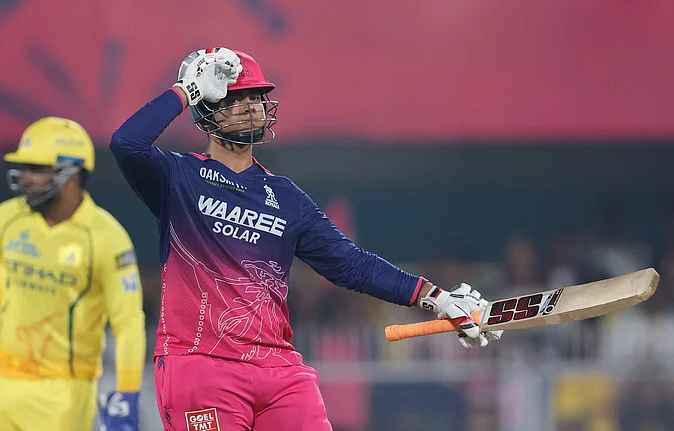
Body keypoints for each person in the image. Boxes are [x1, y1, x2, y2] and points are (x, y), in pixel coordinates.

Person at [110, 47, 502, 431]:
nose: (251, 107)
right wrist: (184, 91)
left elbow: (351, 264)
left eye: (257, 97)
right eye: (234, 98)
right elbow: (126, 144)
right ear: (206, 108)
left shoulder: (286, 197)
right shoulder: (176, 178)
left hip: (279, 372)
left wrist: (438, 298)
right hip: (201, 365)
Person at [0, 117, 146, 431]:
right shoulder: (8, 217)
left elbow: (128, 323)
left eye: (37, 169)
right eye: (24, 168)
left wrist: (128, 393)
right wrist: (8, 302)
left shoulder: (106, 238)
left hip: (63, 391)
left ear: (72, 174)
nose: (25, 179)